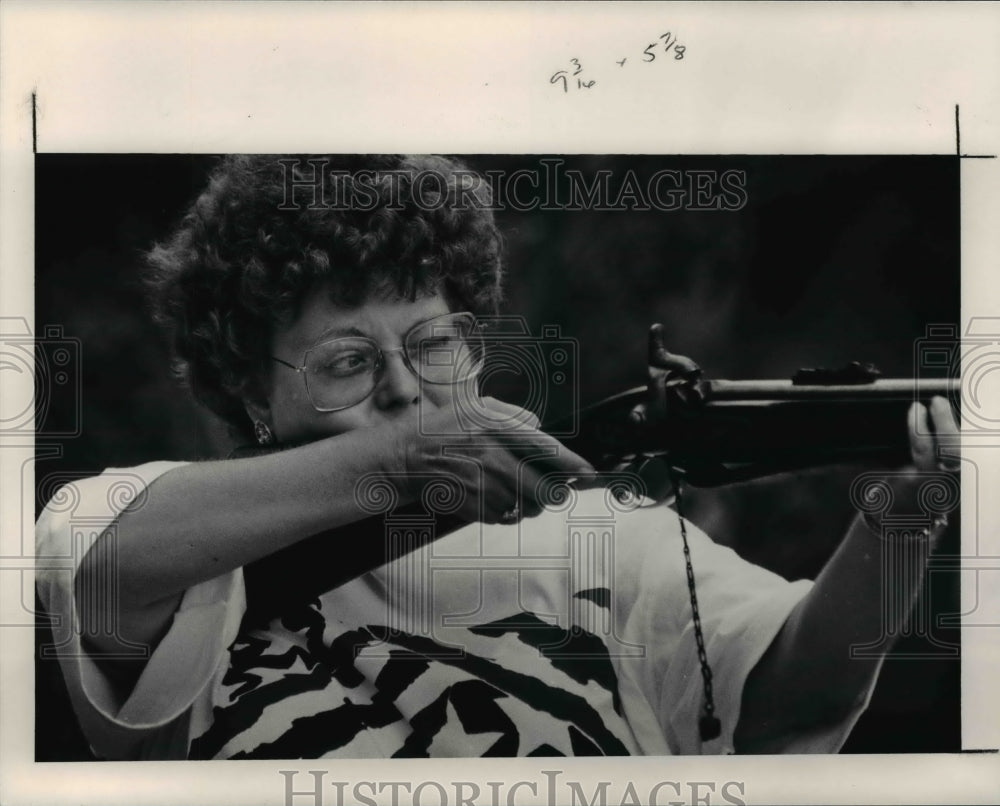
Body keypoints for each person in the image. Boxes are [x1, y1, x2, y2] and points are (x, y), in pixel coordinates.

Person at [35, 154, 959, 760]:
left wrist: (903, 518)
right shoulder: (184, 534)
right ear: (249, 394)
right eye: (350, 363)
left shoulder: (596, 530)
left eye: (433, 343)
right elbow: (104, 570)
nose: (403, 389)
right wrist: (402, 463)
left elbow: (789, 705)